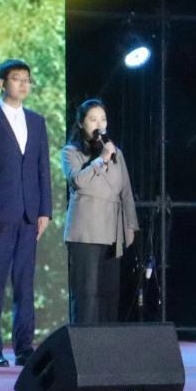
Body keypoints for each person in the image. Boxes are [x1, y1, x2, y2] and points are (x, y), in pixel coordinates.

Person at [0, 59, 52, 368]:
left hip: (29, 215)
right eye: (17, 78)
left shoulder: (37, 121)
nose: (23, 84)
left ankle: (24, 348)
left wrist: (45, 210)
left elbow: (42, 168)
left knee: (24, 285)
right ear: (2, 83)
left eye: (27, 79)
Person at [61, 99, 138, 324]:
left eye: (103, 119)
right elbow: (78, 181)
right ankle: (84, 342)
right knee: (87, 294)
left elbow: (126, 191)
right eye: (93, 119)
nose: (99, 124)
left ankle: (106, 342)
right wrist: (102, 158)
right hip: (85, 231)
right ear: (81, 123)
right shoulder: (71, 152)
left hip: (112, 231)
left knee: (109, 294)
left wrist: (130, 225)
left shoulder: (116, 153)